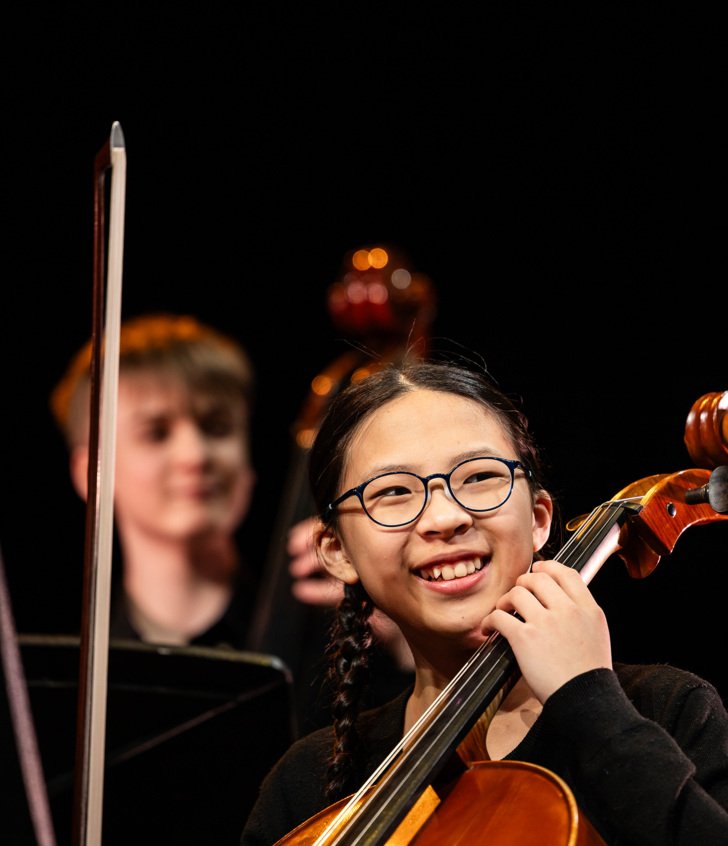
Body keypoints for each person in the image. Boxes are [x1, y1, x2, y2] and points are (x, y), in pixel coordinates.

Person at [241, 358, 728, 844]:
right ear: (337, 551)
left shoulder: (668, 710)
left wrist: (591, 701)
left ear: (538, 519)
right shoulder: (304, 785)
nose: (445, 517)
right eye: (392, 491)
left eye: (478, 477)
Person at [49, 313, 260, 648]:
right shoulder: (69, 661)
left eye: (217, 427)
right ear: (91, 474)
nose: (195, 456)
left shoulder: (316, 627)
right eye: (155, 434)